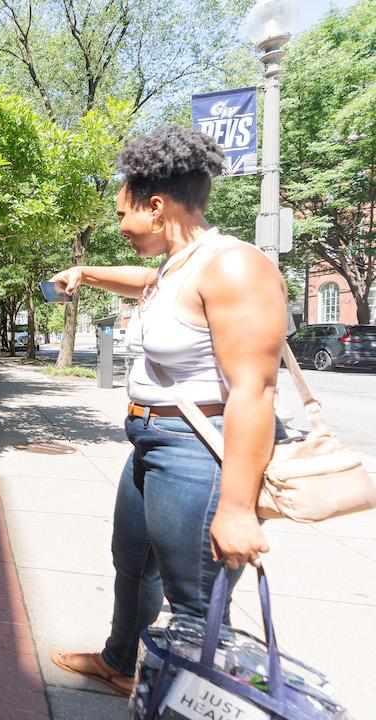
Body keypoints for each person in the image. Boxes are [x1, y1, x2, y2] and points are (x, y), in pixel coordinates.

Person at [48, 126, 287, 694]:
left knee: (195, 606)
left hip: (196, 454)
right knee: (131, 562)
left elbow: (255, 391)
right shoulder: (177, 265)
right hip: (148, 440)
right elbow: (143, 282)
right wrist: (85, 272)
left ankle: (194, 701)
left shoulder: (233, 267)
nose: (119, 228)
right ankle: (120, 662)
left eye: (121, 215)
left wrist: (235, 509)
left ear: (155, 208)